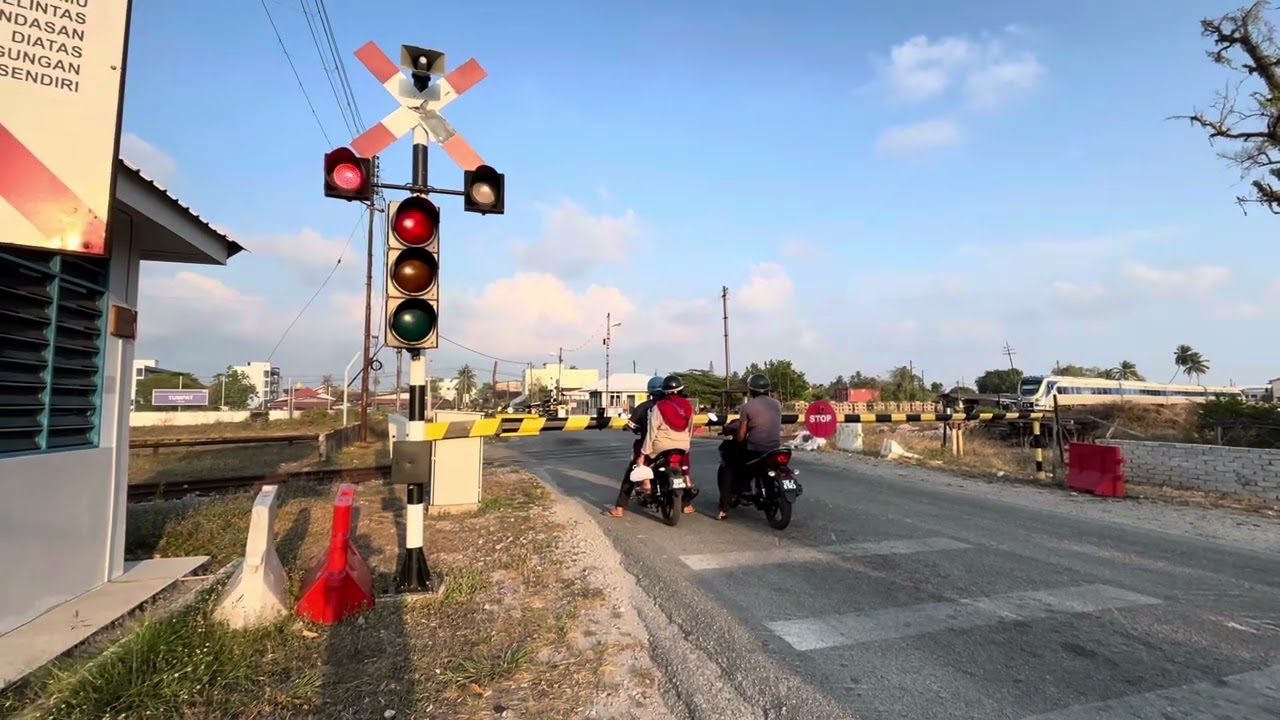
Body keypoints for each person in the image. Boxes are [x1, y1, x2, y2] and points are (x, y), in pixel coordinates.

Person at [717, 372, 782, 520]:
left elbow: (740, 436)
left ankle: (724, 508)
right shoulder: (777, 404)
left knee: (729, 466)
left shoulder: (747, 407)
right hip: (775, 448)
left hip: (756, 450)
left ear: (750, 390)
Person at [604, 376, 665, 517]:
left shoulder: (645, 407)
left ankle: (619, 508)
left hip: (649, 446)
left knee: (631, 472)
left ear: (650, 391)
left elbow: (632, 426)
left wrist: (629, 427)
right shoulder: (672, 406)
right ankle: (687, 505)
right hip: (673, 445)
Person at [638, 374, 696, 514]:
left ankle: (646, 485)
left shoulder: (659, 407)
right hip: (683, 444)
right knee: (685, 457)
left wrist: (643, 453)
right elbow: (690, 428)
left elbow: (652, 431)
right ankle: (687, 480)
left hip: (661, 445)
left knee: (643, 461)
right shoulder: (687, 405)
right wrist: (686, 442)